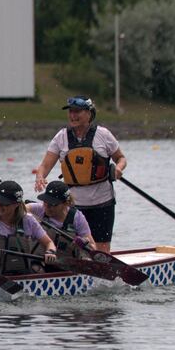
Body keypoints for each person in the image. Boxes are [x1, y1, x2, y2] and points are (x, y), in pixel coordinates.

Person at [31, 96, 127, 253]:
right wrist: (40, 177)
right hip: (74, 205)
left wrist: (118, 168)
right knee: (74, 246)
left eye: (77, 112)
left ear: (89, 114)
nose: (72, 116)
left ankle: (101, 272)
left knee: (101, 248)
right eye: (70, 112)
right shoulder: (61, 137)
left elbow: (121, 158)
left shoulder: (103, 134)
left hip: (102, 202)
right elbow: (45, 165)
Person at [0, 180, 58, 275]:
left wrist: (50, 252)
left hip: (21, 275)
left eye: (4, 203)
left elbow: (49, 242)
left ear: (16, 204)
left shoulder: (28, 220)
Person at [29, 180, 96, 254]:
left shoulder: (77, 218)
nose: (47, 207)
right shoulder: (40, 208)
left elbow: (93, 247)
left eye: (53, 204)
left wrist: (84, 242)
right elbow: (20, 210)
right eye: (45, 202)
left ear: (65, 203)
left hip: (67, 261)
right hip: (42, 259)